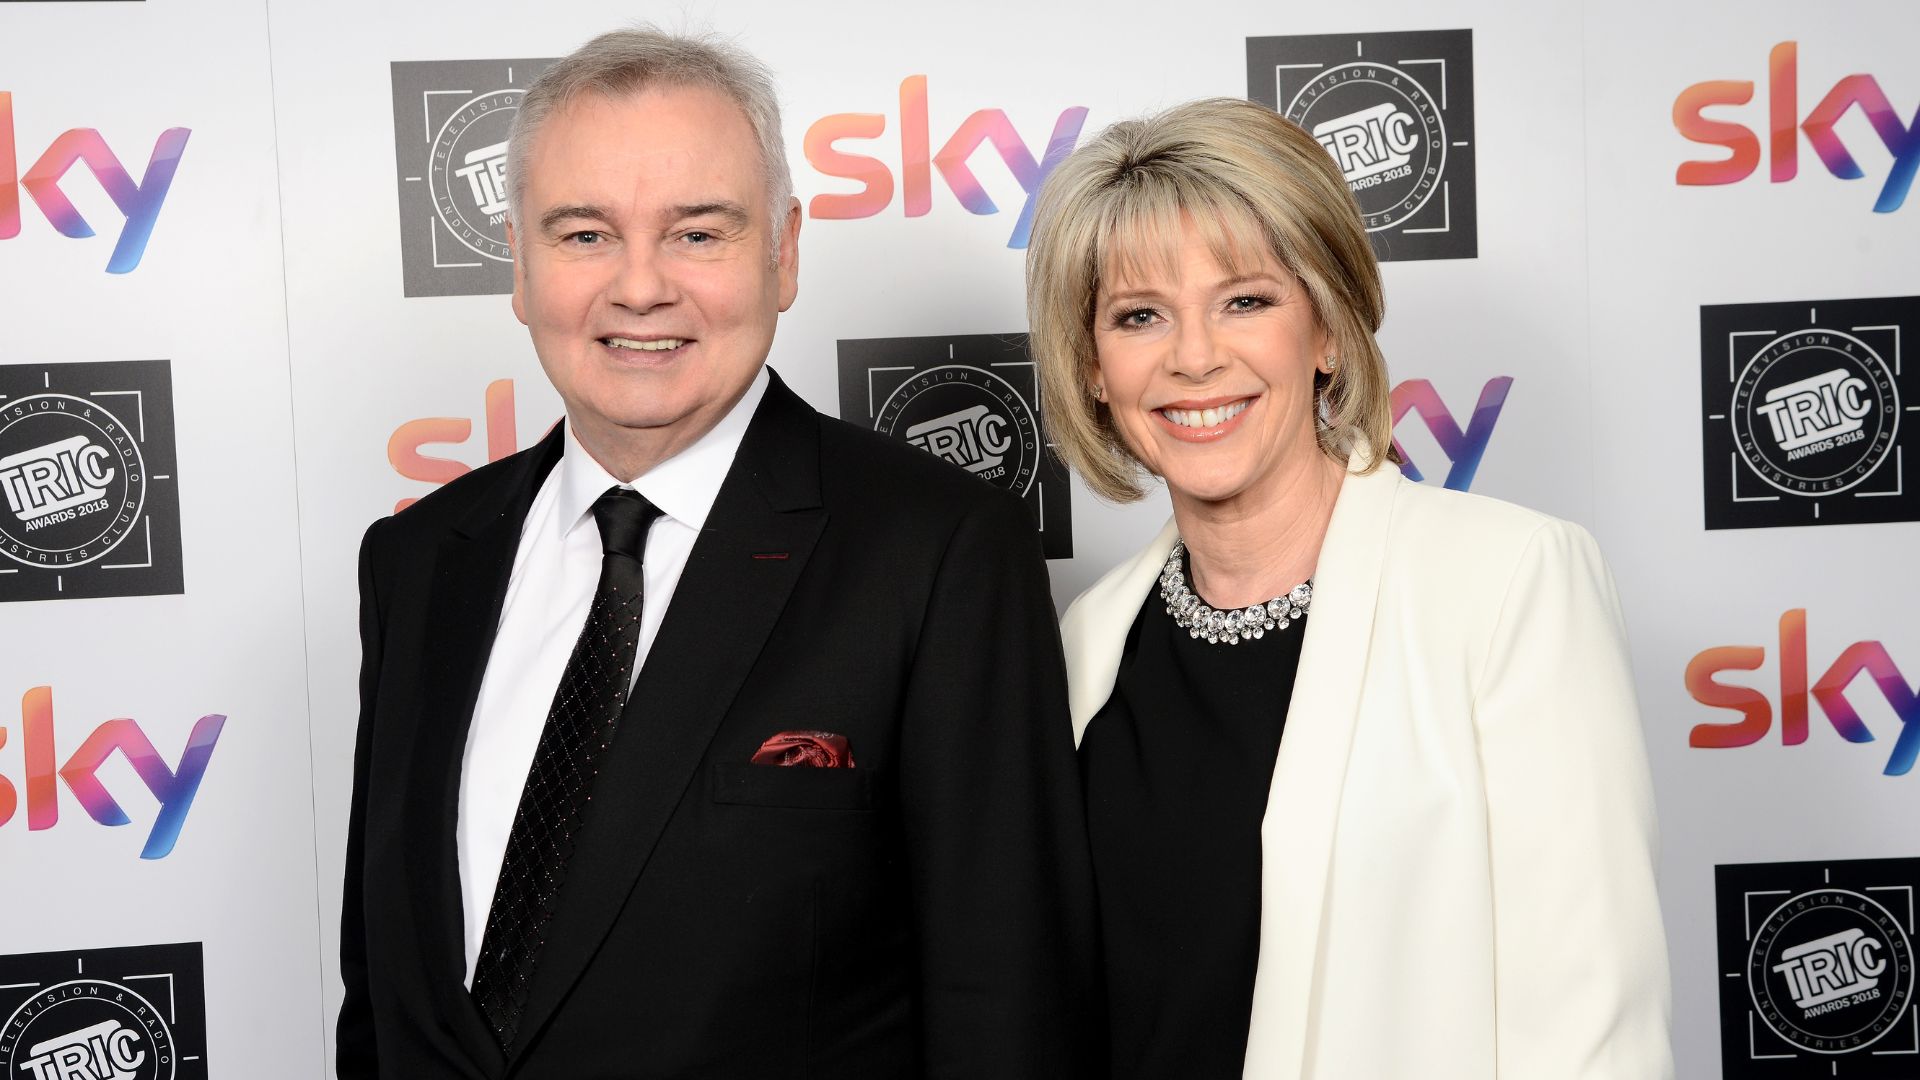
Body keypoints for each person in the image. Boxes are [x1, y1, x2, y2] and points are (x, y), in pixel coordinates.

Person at [338, 28, 1096, 1078]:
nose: (640, 287)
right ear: (517, 263)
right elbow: (383, 1000)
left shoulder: (939, 553)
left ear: (783, 252)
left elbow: (1007, 1012)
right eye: (584, 235)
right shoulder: (419, 561)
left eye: (697, 234)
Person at [1026, 97, 1673, 1078]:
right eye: (1140, 315)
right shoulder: (1090, 642)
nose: (1193, 356)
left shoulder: (1507, 586)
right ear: (1096, 370)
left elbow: (1591, 1025)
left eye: (1246, 300)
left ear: (1326, 330)